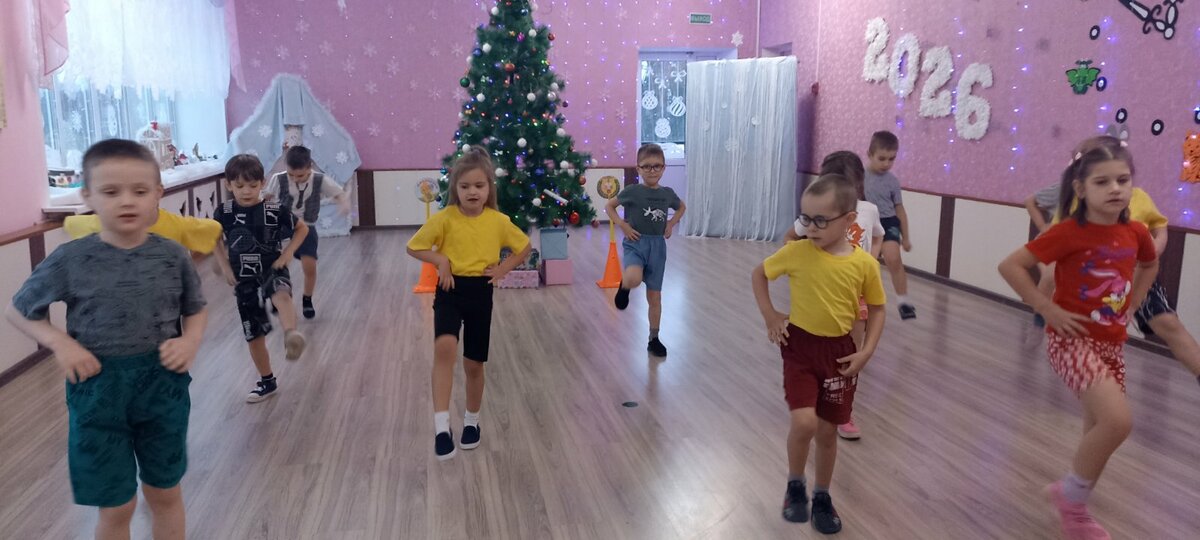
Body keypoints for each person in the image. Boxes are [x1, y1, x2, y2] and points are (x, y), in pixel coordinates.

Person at [6, 139, 208, 540]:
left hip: (161, 387)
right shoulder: (70, 259)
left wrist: (190, 342)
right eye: (111, 191)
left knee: (164, 492)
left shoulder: (172, 256)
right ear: (88, 196)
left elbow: (196, 308)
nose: (126, 201)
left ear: (158, 194)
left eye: (139, 190)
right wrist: (61, 343)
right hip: (97, 391)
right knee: (116, 505)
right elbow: (18, 310)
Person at [998, 136, 1158, 540]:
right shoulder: (1068, 232)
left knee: (1098, 429)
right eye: (1102, 182)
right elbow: (1011, 266)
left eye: (1123, 180)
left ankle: (1076, 508)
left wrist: (1136, 301)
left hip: (1112, 342)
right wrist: (1045, 307)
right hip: (1071, 341)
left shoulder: (1136, 232)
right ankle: (1070, 496)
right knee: (1118, 422)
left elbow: (1149, 264)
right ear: (1080, 188)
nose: (1115, 189)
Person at [752, 174, 887, 534]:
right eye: (806, 218)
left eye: (821, 220)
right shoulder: (797, 253)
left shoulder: (864, 264)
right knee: (804, 423)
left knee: (827, 432)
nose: (810, 227)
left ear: (848, 219)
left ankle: (822, 496)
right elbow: (759, 275)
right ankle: (795, 485)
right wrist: (770, 315)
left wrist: (866, 352)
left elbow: (877, 309)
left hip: (840, 354)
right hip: (799, 349)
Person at [406, 148, 531, 460]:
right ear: (455, 189)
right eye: (465, 186)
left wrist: (502, 269)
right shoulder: (445, 219)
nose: (472, 192)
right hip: (450, 290)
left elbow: (523, 247)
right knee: (444, 348)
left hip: (480, 293)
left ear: (489, 188)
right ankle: (441, 427)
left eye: (479, 185)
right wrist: (441, 260)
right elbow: (414, 246)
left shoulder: (498, 221)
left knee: (474, 364)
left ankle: (472, 421)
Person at [783, 151, 883, 441]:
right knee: (820, 345)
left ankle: (842, 410)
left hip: (856, 290)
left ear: (858, 184)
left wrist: (871, 259)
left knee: (850, 350)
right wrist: (800, 262)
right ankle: (814, 394)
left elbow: (878, 236)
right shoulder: (818, 214)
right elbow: (790, 237)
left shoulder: (868, 210)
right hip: (824, 289)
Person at [213, 154, 309, 403]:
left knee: (281, 294)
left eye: (253, 185)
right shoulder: (223, 212)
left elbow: (302, 228)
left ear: (262, 183)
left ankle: (291, 334)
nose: (246, 191)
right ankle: (267, 381)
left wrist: (288, 253)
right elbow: (213, 237)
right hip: (243, 277)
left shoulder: (274, 210)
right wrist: (224, 266)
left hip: (272, 266)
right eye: (239, 186)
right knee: (254, 334)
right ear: (228, 184)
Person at [605, 143, 686, 357]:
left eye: (657, 166)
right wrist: (622, 225)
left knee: (655, 297)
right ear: (638, 168)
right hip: (636, 242)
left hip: (658, 247)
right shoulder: (633, 191)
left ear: (664, 168)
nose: (652, 170)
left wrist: (671, 224)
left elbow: (681, 207)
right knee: (633, 277)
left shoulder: (667, 194)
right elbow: (609, 206)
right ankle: (624, 286)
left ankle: (654, 338)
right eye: (647, 166)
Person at [267, 145, 351, 319]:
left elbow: (339, 194)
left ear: (310, 167)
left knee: (309, 266)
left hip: (306, 225)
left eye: (300, 176)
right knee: (276, 263)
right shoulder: (278, 179)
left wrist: (343, 203)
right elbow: (265, 196)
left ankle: (307, 299)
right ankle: (278, 296)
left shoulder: (320, 180)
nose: (295, 179)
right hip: (283, 224)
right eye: (291, 175)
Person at [863, 130, 916, 319]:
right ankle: (862, 302)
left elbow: (899, 209)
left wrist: (906, 237)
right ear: (870, 154)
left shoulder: (892, 181)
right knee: (867, 263)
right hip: (867, 222)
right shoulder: (860, 176)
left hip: (888, 221)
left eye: (891, 159)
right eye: (882, 158)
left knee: (893, 258)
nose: (887, 164)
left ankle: (903, 301)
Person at [1024, 182, 1062, 327]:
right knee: (1050, 277)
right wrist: (1042, 226)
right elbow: (1030, 201)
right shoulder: (1063, 188)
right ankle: (1039, 320)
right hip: (1052, 242)